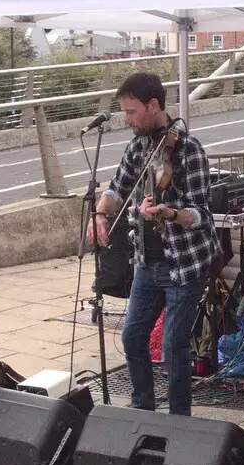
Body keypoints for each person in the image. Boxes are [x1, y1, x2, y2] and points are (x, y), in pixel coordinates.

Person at [87, 72, 218, 416]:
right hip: (147, 262)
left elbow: (201, 213)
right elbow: (117, 187)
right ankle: (142, 410)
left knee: (174, 350)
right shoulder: (138, 145)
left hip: (183, 264)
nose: (127, 120)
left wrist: (169, 213)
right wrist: (100, 214)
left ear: (154, 105)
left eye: (131, 112)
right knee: (132, 338)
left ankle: (178, 421)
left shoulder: (189, 150)